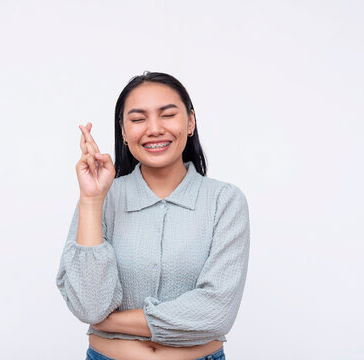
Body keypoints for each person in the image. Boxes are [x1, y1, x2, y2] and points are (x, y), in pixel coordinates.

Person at [56, 71, 250, 360]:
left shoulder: (225, 201)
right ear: (123, 132)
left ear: (191, 122)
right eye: (138, 119)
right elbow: (90, 307)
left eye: (167, 115)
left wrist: (111, 322)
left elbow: (216, 312)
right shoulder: (102, 197)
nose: (154, 128)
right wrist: (92, 200)